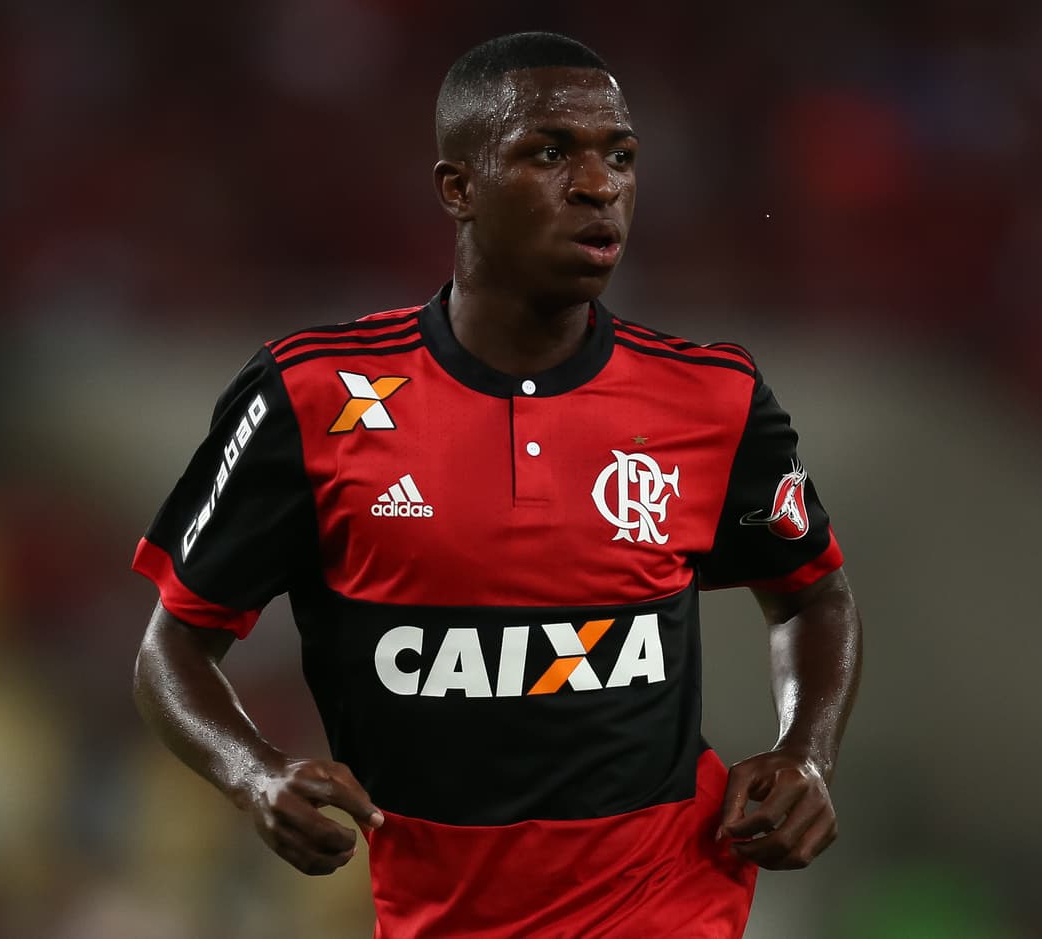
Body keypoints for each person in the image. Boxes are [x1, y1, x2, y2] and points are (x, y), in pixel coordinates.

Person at [131, 31, 862, 939]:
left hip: (668, 901)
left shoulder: (714, 397)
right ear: (458, 188)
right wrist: (255, 772)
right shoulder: (312, 395)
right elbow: (173, 651)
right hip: (438, 913)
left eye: (621, 157)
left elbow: (812, 596)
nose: (600, 186)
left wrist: (808, 753)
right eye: (550, 152)